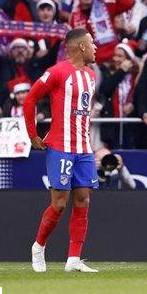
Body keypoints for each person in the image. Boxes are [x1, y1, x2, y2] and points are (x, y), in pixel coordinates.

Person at [23, 28, 99, 274]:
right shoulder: (56, 72)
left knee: (83, 200)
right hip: (61, 147)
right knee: (59, 204)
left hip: (84, 148)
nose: (96, 47)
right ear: (82, 47)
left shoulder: (90, 75)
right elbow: (30, 99)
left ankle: (73, 260)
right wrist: (32, 133)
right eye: (92, 42)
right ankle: (38, 246)